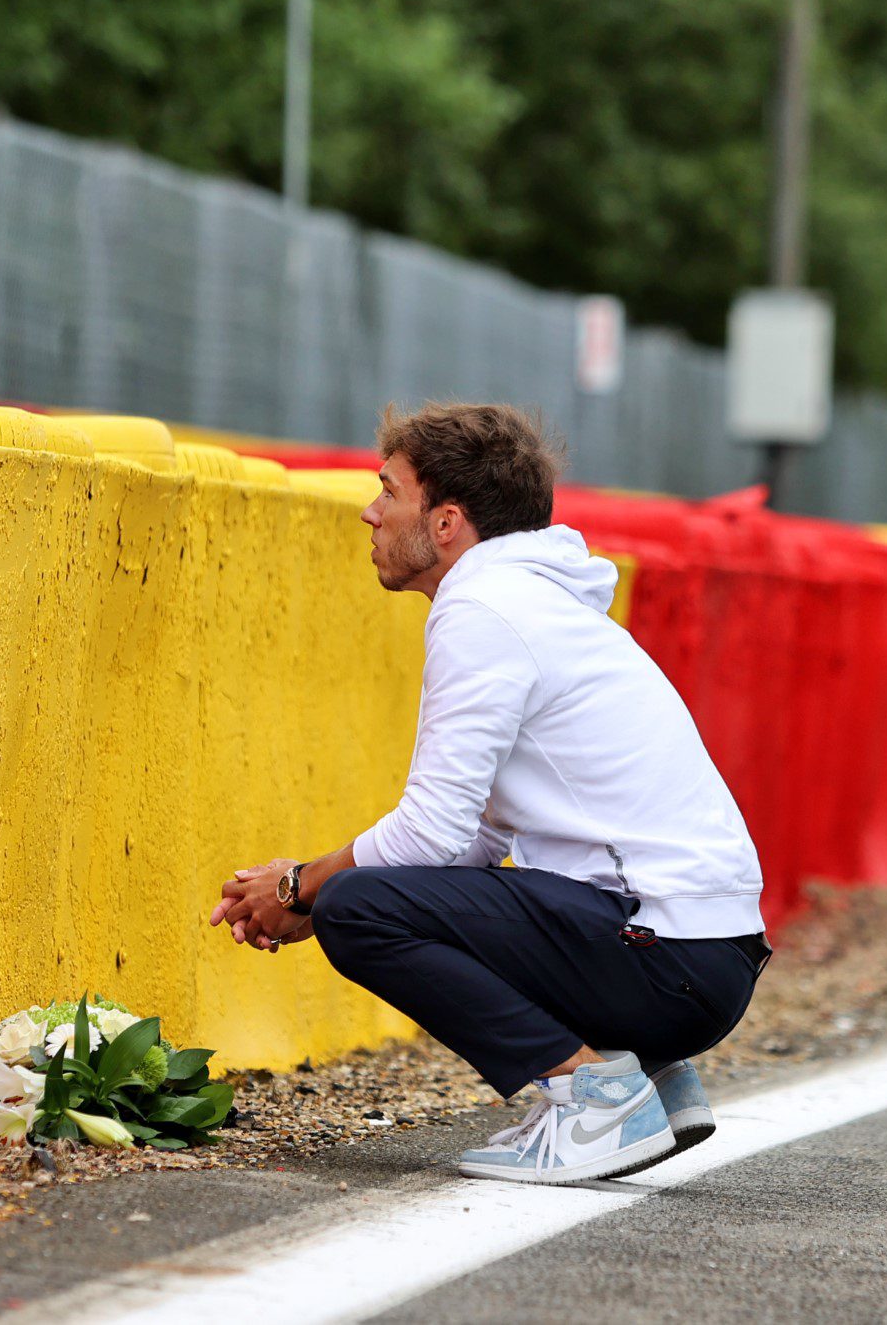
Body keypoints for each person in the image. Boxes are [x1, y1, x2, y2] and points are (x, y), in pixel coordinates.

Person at [210, 401, 770, 1186]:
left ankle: (594, 1097)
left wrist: (306, 885)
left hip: (667, 953)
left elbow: (431, 833)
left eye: (388, 490)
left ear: (445, 522)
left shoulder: (484, 609)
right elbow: (470, 838)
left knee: (359, 911)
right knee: (370, 896)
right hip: (699, 954)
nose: (369, 512)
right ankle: (644, 1074)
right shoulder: (528, 601)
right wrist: (315, 893)